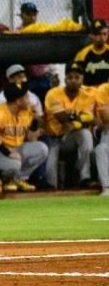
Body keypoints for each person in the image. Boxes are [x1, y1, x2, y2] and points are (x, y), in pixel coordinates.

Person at [0, 81, 48, 192]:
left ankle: (18, 179)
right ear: (18, 101)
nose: (29, 100)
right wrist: (8, 153)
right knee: (15, 164)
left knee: (42, 148)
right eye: (26, 97)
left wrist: (35, 120)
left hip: (18, 149)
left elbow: (31, 139)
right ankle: (6, 181)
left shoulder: (27, 111)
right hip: (0, 152)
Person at [43, 61, 96, 190]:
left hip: (71, 138)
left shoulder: (88, 95)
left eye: (77, 77)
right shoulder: (54, 93)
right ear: (65, 79)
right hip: (53, 139)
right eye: (70, 77)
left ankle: (85, 177)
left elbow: (91, 118)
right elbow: (62, 118)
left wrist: (75, 123)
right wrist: (80, 119)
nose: (73, 80)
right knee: (51, 182)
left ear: (82, 79)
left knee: (86, 134)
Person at [73, 19, 109, 86]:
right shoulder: (82, 55)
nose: (102, 37)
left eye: (104, 34)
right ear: (91, 35)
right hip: (88, 91)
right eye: (98, 34)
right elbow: (76, 79)